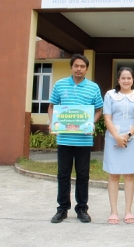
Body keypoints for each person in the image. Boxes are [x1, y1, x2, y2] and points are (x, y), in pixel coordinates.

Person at [48, 54, 103, 223]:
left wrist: (91, 123)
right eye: (76, 66)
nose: (79, 69)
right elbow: (51, 107)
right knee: (63, 175)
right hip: (64, 139)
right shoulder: (60, 85)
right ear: (71, 67)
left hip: (84, 140)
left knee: (83, 175)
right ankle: (62, 209)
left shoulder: (93, 87)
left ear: (86, 69)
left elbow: (99, 110)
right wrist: (52, 123)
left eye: (82, 66)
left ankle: (82, 209)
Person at [102, 67, 134, 224]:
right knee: (113, 175)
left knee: (129, 175)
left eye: (129, 78)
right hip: (113, 138)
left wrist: (127, 136)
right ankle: (113, 211)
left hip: (132, 139)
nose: (126, 81)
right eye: (123, 78)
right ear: (118, 80)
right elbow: (107, 118)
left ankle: (128, 211)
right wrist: (116, 137)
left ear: (133, 80)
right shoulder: (110, 95)